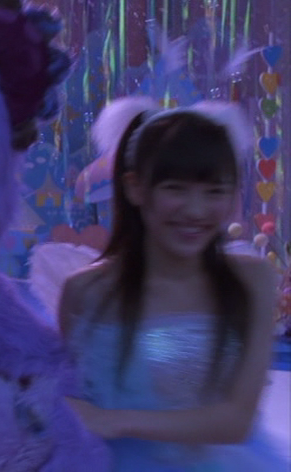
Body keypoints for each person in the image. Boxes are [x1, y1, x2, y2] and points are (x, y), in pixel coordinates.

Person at [58, 96, 287, 470]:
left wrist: (113, 420)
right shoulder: (86, 291)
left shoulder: (252, 279)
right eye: (176, 188)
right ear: (135, 187)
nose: (195, 210)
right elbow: (71, 405)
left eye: (214, 191)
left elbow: (237, 420)